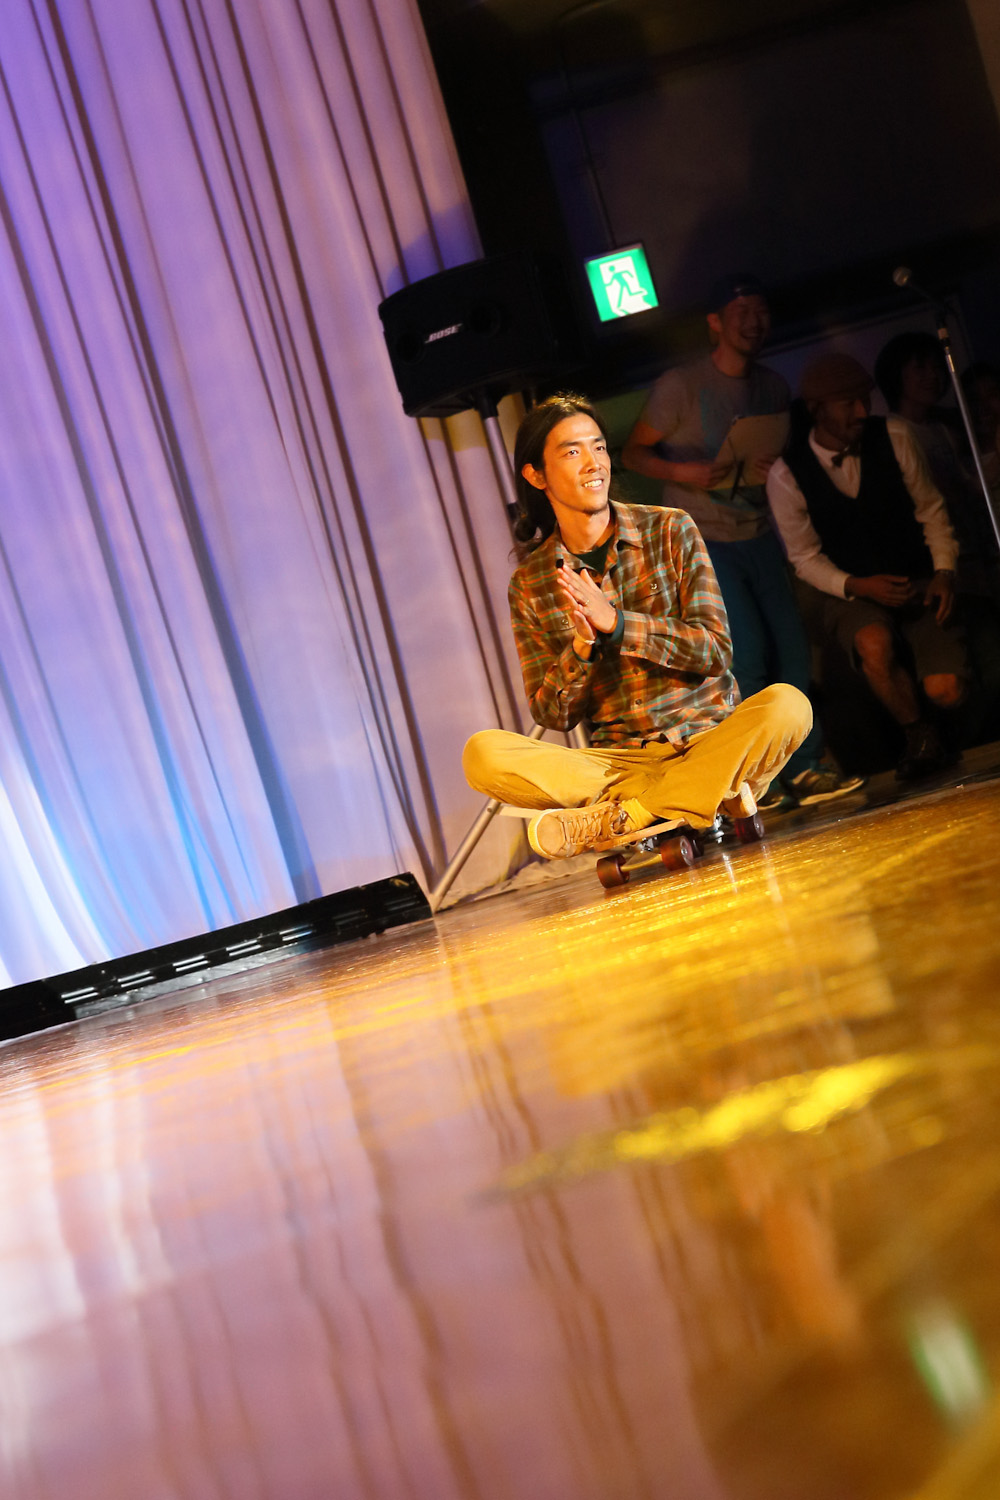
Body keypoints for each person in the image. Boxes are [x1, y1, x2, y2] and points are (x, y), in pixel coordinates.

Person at [462, 394, 813, 861]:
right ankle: (689, 796)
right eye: (572, 451)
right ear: (536, 475)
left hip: (707, 739)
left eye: (599, 447)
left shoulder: (670, 529)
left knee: (789, 705)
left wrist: (619, 624)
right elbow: (553, 714)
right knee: (482, 754)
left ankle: (631, 814)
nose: (594, 463)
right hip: (620, 764)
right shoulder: (531, 583)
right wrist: (582, 647)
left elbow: (714, 651)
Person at [622, 272, 862, 808]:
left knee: (793, 653)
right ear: (715, 322)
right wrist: (685, 473)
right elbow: (633, 453)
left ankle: (806, 766)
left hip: (758, 530)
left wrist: (763, 468)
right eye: (741, 313)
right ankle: (755, 780)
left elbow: (772, 457)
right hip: (705, 541)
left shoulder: (772, 386)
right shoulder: (682, 385)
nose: (754, 323)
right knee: (745, 655)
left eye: (761, 311)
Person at [767, 352, 967, 780]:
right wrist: (857, 585)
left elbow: (931, 508)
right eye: (848, 403)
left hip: (916, 577)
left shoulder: (893, 435)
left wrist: (944, 571)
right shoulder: (786, 474)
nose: (861, 411)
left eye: (864, 399)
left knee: (947, 689)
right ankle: (920, 738)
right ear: (818, 410)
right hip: (852, 590)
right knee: (873, 644)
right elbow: (804, 557)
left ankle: (949, 733)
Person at [875, 331, 999, 598]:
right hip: (933, 562)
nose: (933, 376)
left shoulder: (942, 430)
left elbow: (970, 489)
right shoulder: (892, 434)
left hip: (969, 549)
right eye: (921, 368)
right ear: (897, 375)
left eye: (937, 367)